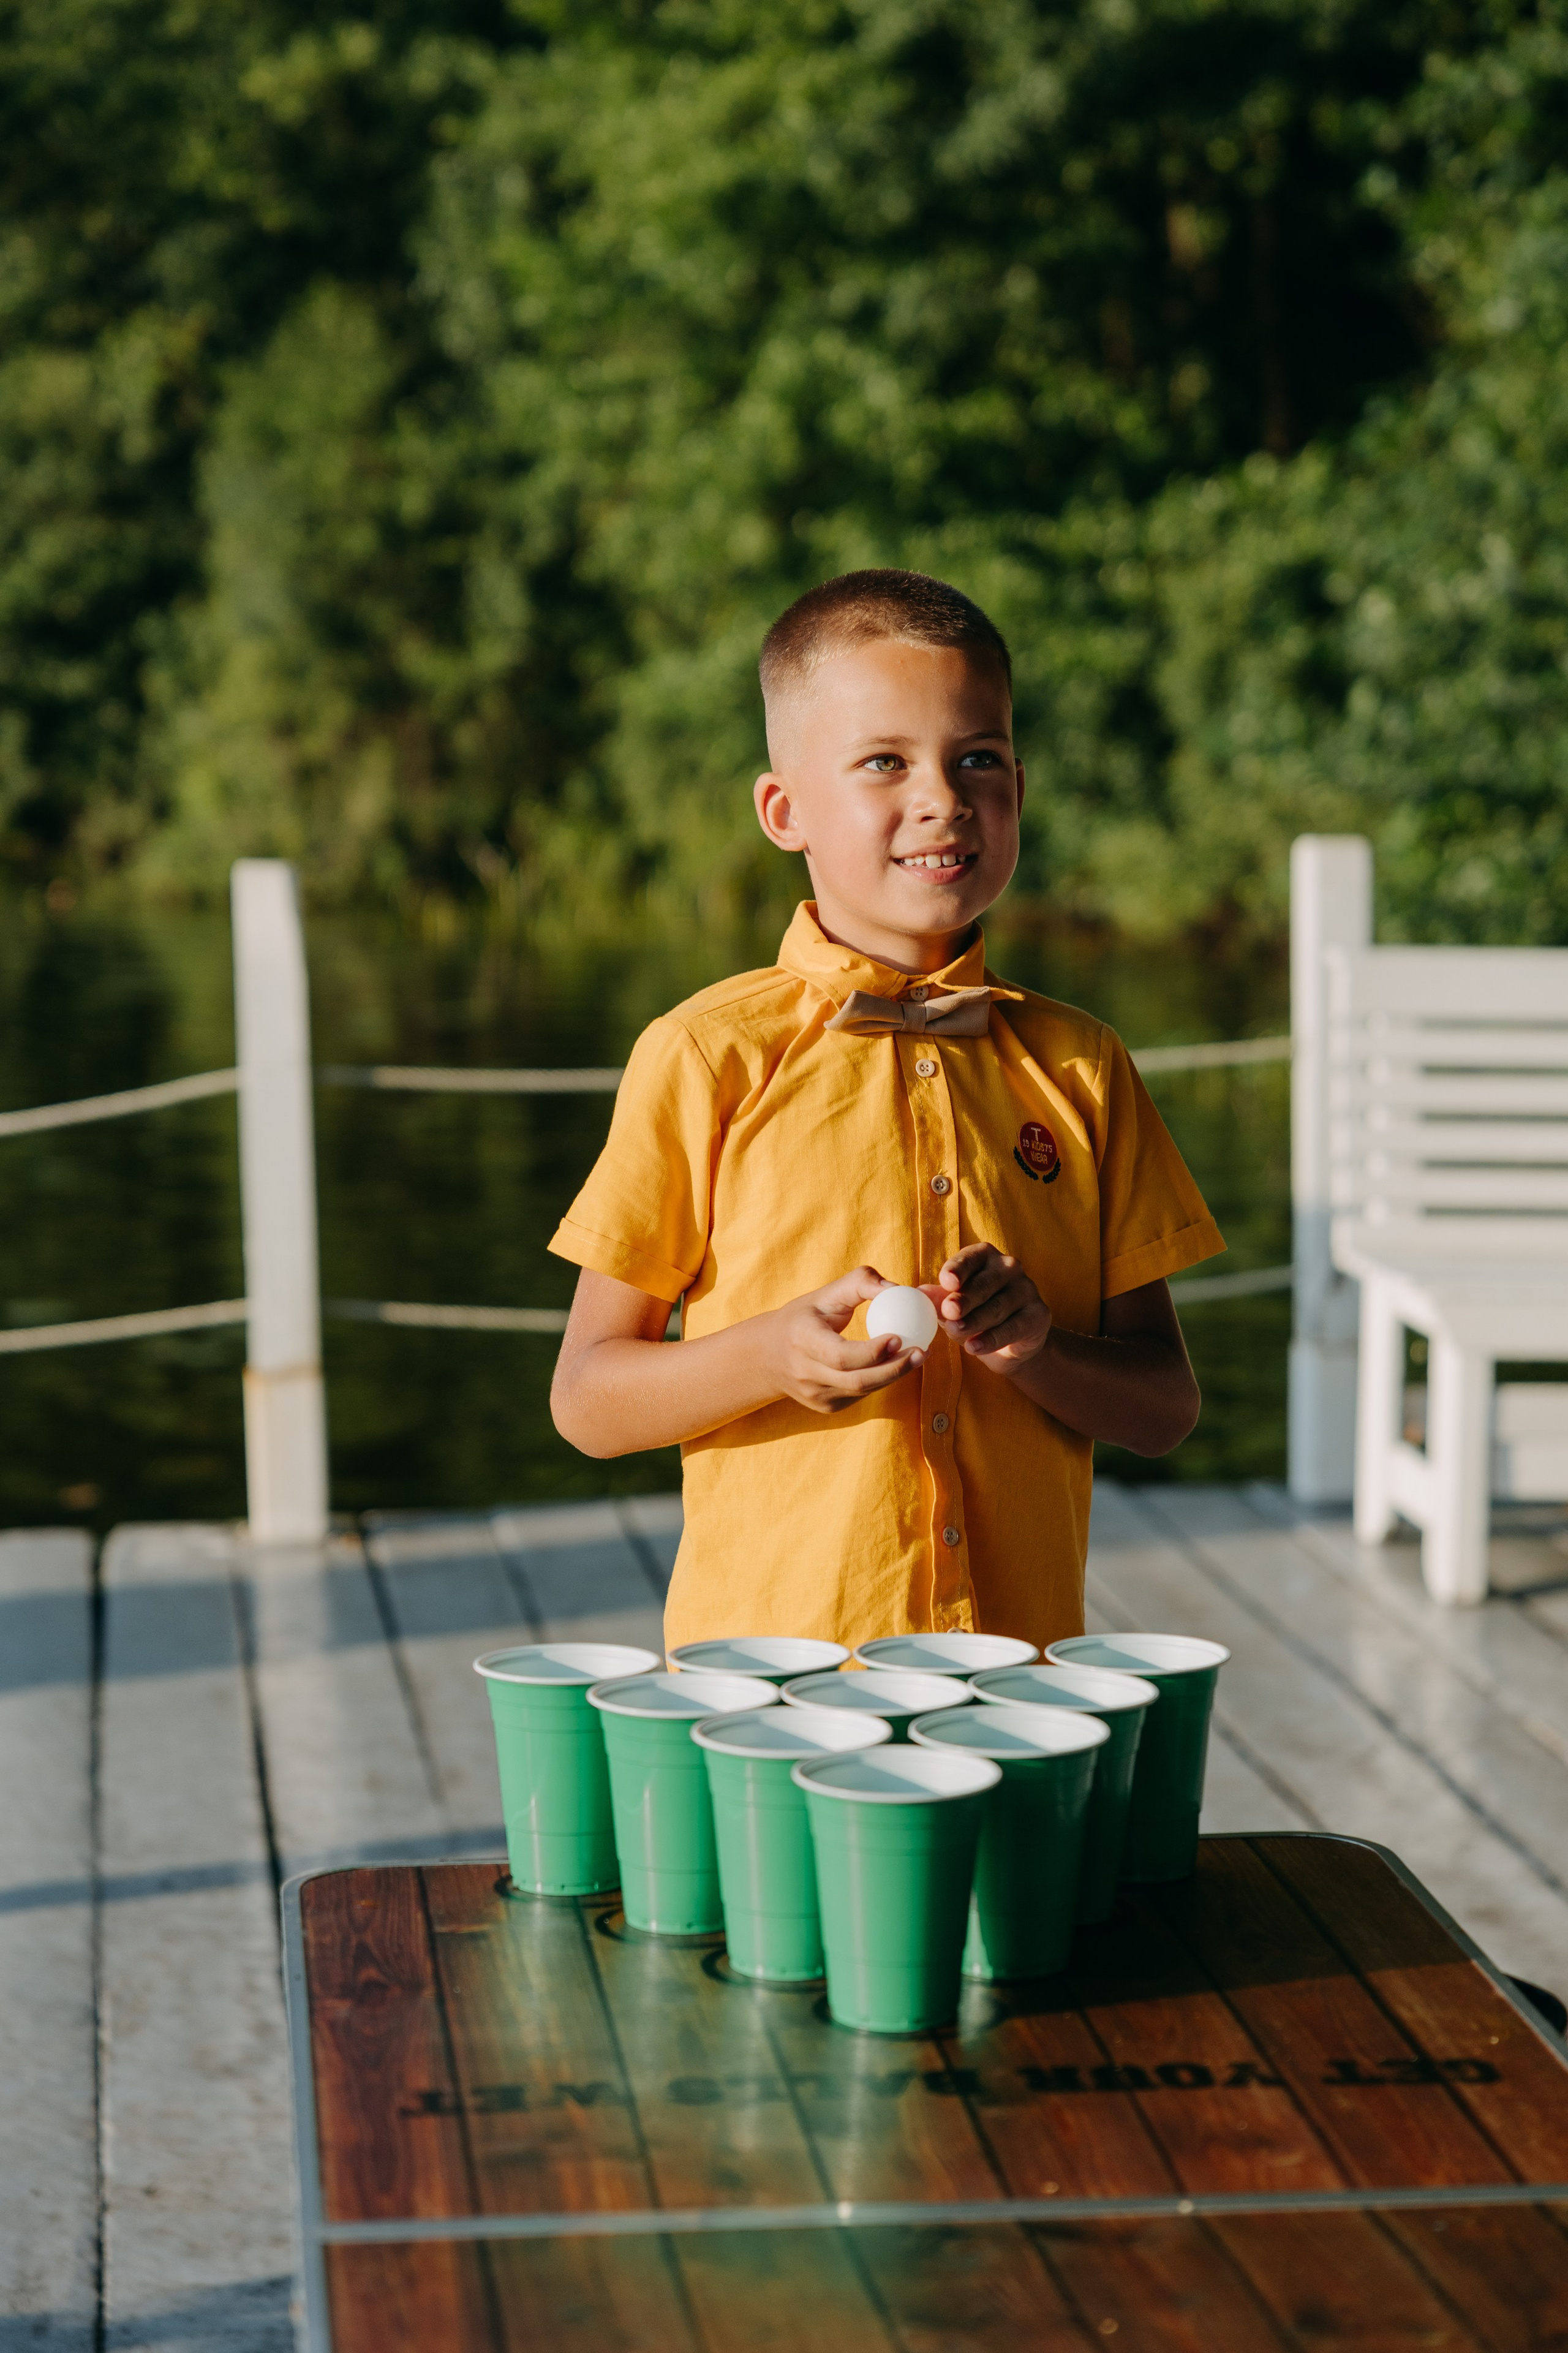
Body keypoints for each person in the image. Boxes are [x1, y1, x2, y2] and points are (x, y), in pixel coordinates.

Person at [548, 569, 1224, 1653]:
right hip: (773, 1685)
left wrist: (1039, 1350)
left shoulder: (1083, 1066)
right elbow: (586, 1398)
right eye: (884, 763)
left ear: (1019, 785)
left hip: (1022, 1683)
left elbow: (1165, 1405)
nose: (943, 798)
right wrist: (768, 1356)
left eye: (979, 760)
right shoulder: (705, 1057)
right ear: (786, 811)